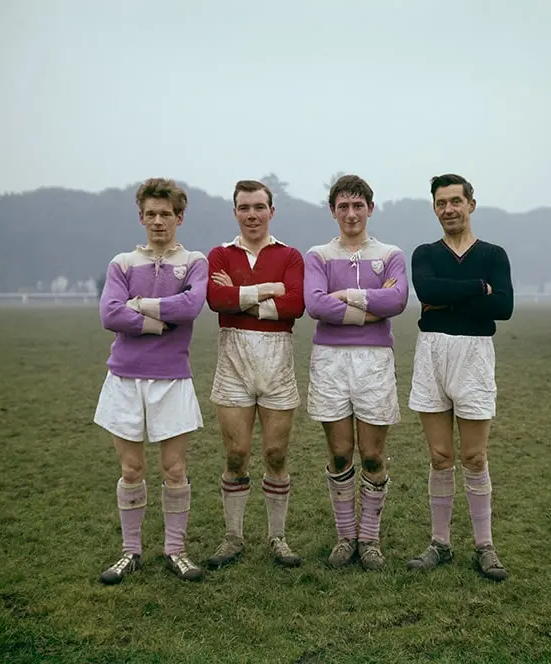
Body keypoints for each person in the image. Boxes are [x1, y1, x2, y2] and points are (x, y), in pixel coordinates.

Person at [94, 178, 207, 584]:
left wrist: (139, 308)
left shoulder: (194, 261)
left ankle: (176, 550)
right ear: (141, 217)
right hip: (125, 378)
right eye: (151, 214)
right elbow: (110, 314)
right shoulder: (122, 263)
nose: (158, 221)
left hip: (172, 378)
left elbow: (192, 306)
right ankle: (130, 551)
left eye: (166, 214)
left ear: (179, 217)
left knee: (174, 469)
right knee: (131, 469)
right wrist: (162, 322)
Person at [406, 173, 513, 581]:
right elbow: (425, 290)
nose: (448, 209)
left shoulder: (494, 254)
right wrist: (477, 289)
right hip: (431, 352)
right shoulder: (425, 252)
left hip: (474, 356)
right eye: (440, 203)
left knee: (473, 456)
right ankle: (440, 543)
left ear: (471, 203)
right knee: (440, 456)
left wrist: (449, 296)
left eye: (455, 201)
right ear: (435, 208)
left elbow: (503, 308)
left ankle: (485, 546)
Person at [303, 174, 409, 570]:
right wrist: (370, 309)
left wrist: (347, 296)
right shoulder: (318, 255)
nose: (351, 213)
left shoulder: (391, 254)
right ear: (333, 211)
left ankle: (370, 539)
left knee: (372, 454)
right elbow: (314, 304)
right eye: (343, 206)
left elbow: (398, 299)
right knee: (340, 451)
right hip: (330, 360)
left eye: (358, 205)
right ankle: (346, 536)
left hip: (375, 361)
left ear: (370, 208)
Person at [205, 180, 306, 569]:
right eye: (244, 207)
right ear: (235, 212)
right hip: (233, 363)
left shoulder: (291, 255)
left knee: (276, 454)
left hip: (277, 363)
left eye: (259, 207)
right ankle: (233, 536)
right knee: (236, 455)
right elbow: (216, 300)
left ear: (271, 211)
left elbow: (295, 304)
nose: (252, 215)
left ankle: (277, 537)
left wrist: (242, 296)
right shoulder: (219, 254)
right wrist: (269, 291)